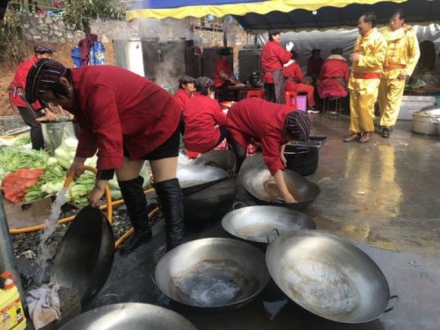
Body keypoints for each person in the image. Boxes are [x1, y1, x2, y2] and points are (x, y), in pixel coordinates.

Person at [25, 59, 184, 255]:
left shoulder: (97, 88)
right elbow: (88, 127)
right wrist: (79, 160)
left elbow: (108, 137)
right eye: (51, 102)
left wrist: (100, 186)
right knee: (126, 180)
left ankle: (175, 244)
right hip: (129, 127)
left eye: (56, 99)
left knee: (165, 183)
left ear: (64, 83)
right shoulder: (74, 91)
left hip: (159, 118)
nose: (56, 105)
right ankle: (142, 232)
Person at [226, 98, 311, 203]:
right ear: (286, 130)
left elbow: (284, 139)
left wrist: (281, 154)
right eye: (292, 138)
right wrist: (286, 194)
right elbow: (272, 161)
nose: (291, 141)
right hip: (236, 117)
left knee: (269, 147)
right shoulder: (270, 129)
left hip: (254, 115)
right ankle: (229, 180)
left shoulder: (291, 117)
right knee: (239, 154)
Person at [344, 13, 386, 144]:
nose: (358, 26)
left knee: (365, 107)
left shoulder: (379, 39)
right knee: (354, 107)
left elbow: (380, 60)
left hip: (369, 79)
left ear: (369, 24)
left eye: (360, 23)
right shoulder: (360, 38)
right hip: (356, 78)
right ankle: (355, 131)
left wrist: (361, 58)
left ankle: (368, 131)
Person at [378, 10, 420, 138]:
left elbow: (415, 54)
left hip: (398, 72)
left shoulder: (410, 34)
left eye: (394, 21)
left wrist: (407, 72)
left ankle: (386, 125)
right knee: (382, 99)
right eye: (390, 20)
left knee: (393, 100)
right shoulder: (384, 31)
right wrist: (401, 30)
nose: (391, 23)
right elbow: (384, 40)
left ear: (402, 21)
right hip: (383, 71)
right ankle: (387, 121)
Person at [9, 44, 58, 150]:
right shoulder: (28, 68)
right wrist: (44, 109)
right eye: (47, 55)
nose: (50, 58)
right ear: (38, 55)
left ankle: (50, 147)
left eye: (51, 55)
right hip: (23, 96)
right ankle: (37, 151)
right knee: (37, 123)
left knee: (50, 119)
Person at [183, 77, 227, 153]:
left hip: (189, 144)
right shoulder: (212, 102)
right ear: (209, 89)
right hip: (206, 144)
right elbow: (223, 121)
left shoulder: (188, 102)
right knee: (228, 126)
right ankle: (227, 149)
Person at [261, 29, 293, 104]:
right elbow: (285, 59)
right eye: (278, 35)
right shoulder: (276, 46)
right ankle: (277, 114)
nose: (280, 37)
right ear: (273, 36)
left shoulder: (265, 46)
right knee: (278, 98)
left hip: (266, 77)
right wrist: (288, 51)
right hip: (276, 76)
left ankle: (267, 114)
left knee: (268, 98)